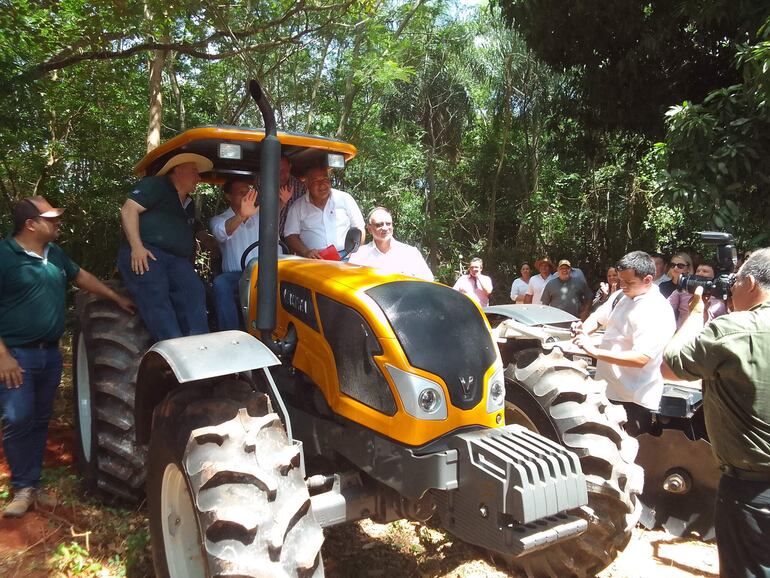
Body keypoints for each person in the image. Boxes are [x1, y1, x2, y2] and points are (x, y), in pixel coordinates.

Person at [1, 196, 135, 518]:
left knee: (39, 419)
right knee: (18, 420)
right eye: (51, 218)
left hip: (49, 355)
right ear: (31, 224)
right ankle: (22, 487)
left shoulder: (54, 254)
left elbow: (81, 277)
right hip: (16, 356)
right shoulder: (4, 255)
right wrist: (3, 356)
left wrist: (115, 296)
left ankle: (33, 483)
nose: (58, 222)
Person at [662, 248, 770, 578]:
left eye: (735, 281)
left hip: (752, 490)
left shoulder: (732, 329)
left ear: (750, 282)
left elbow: (671, 366)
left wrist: (696, 312)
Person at [571, 251, 676, 434]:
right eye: (621, 281)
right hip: (606, 388)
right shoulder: (620, 296)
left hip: (633, 397)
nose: (623, 286)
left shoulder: (656, 309)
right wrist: (583, 330)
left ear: (648, 280)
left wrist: (594, 352)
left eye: (629, 282)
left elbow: (641, 357)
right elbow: (598, 318)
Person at [117, 153, 213, 342]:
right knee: (155, 290)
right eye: (194, 171)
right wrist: (137, 247)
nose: (199, 178)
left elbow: (193, 232)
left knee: (194, 289)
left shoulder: (189, 203)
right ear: (178, 170)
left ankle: (199, 346)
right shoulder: (156, 185)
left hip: (176, 260)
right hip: (147, 251)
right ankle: (171, 348)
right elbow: (128, 210)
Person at [209, 178, 260, 330]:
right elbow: (221, 233)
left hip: (265, 272)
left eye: (248, 192)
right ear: (228, 197)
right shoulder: (218, 219)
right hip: (237, 276)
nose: (246, 195)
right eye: (241, 193)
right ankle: (230, 335)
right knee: (220, 284)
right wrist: (242, 216)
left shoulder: (263, 215)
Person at [284, 166, 365, 259]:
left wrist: (356, 254)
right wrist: (306, 252)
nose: (322, 185)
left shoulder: (345, 199)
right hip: (313, 259)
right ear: (306, 184)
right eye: (316, 181)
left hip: (346, 256)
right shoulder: (297, 206)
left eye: (325, 179)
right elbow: (290, 235)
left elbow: (359, 227)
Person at [348, 207, 433, 280]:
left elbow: (428, 280)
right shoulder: (359, 255)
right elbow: (351, 282)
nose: (385, 228)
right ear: (369, 229)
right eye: (379, 225)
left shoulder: (410, 253)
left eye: (388, 224)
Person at [667, 262, 727, 329]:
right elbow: (666, 308)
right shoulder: (682, 292)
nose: (700, 273)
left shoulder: (718, 301)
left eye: (705, 271)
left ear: (713, 276)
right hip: (681, 333)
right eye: (698, 271)